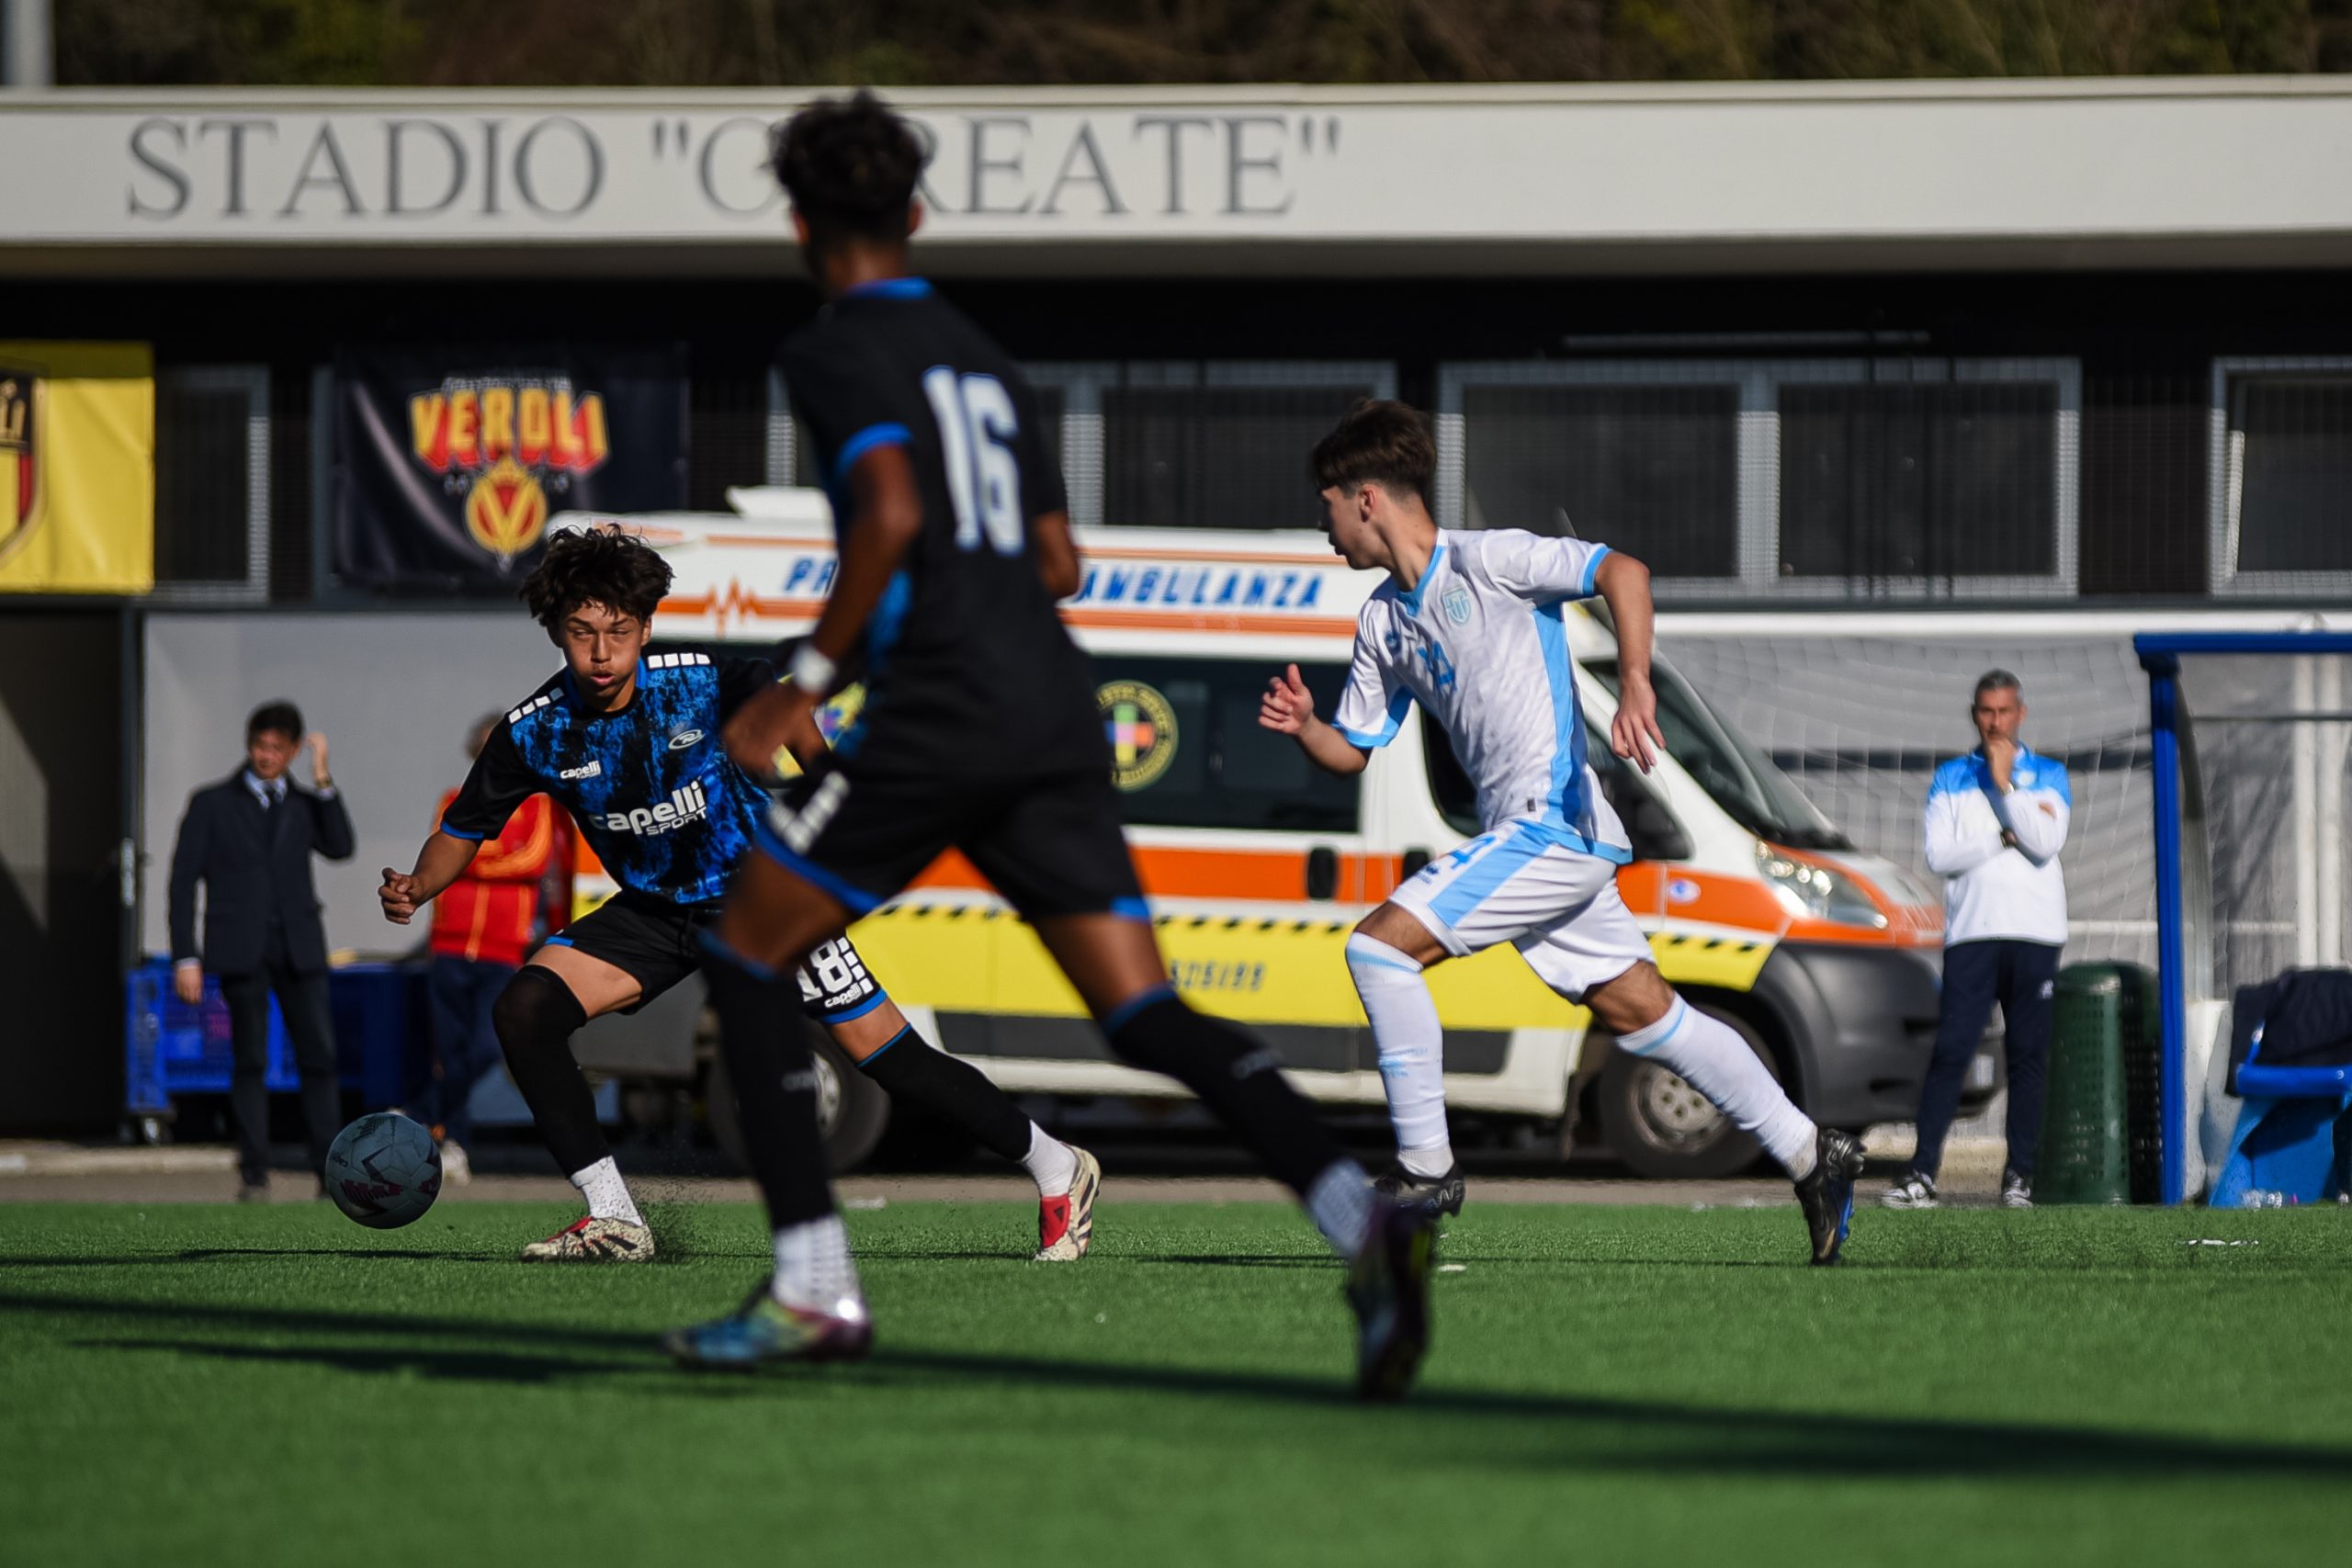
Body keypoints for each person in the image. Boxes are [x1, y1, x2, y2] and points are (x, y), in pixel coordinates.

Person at [662, 90, 1433, 1399]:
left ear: (797, 226)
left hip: (940, 712)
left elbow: (889, 511)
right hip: (1050, 706)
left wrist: (806, 681)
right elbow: (1062, 561)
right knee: (1144, 1012)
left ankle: (812, 1288)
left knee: (745, 949)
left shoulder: (833, 350)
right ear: (916, 213)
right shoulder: (987, 363)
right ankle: (1361, 1218)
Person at [377, 525, 1100, 1262]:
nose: (601, 652)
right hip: (657, 910)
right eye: (582, 632)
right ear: (557, 632)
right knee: (525, 1010)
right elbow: (464, 828)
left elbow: (776, 697)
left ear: (646, 628)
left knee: (890, 1059)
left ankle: (1058, 1167)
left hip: (765, 900)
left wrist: (826, 781)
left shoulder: (694, 679)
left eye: (619, 632)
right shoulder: (534, 732)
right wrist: (420, 883)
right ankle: (614, 1217)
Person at [1260, 400, 1864, 1265]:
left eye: (1325, 507)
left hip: (1555, 826)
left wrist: (1637, 683)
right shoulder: (1382, 622)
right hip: (1538, 842)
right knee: (1649, 1015)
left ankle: (1427, 1169)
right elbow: (1353, 751)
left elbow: (1624, 571)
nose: (1323, 529)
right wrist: (1306, 726)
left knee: (1378, 950)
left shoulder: (1491, 560)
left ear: (1365, 498)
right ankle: (1813, 1153)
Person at [1885, 670, 2070, 1211]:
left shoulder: (2049, 774)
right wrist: (2002, 836)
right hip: (1971, 935)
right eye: (1987, 712)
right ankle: (1922, 1174)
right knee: (1952, 1051)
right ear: (1975, 715)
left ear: (2021, 714)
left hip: (2035, 935)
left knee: (2028, 1057)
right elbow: (1940, 856)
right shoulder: (1951, 777)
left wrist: (2006, 786)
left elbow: (2046, 842)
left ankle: (2019, 1178)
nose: (1995, 722)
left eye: (2004, 711)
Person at [167, 703, 353, 1200]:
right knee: (249, 1059)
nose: (266, 756)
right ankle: (254, 1172)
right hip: (240, 947)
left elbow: (340, 846)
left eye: (277, 748)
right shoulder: (211, 803)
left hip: (299, 946)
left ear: (292, 751)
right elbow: (182, 881)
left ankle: (328, 1172)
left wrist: (323, 780)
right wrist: (186, 956)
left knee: (319, 1058)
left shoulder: (303, 803)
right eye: (259, 746)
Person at [410, 714, 561, 1184]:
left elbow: (531, 860)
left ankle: (421, 1110)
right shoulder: (453, 799)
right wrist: (477, 857)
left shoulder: (536, 806)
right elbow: (440, 853)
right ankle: (453, 1142)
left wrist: (470, 856)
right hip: (450, 944)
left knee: (487, 1046)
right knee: (449, 1051)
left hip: (502, 949)